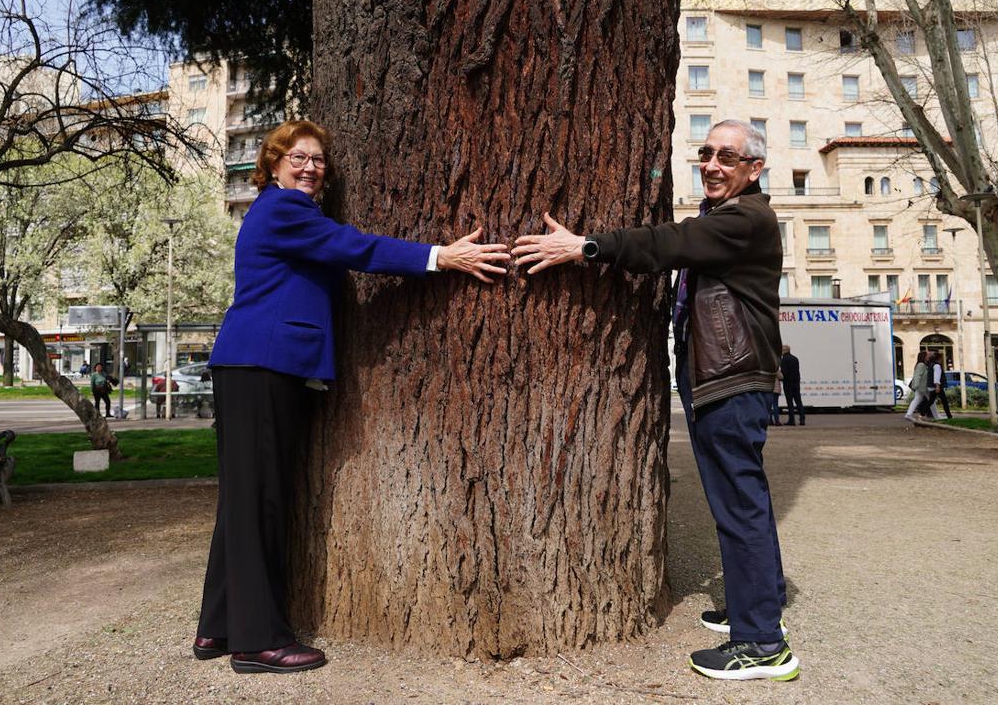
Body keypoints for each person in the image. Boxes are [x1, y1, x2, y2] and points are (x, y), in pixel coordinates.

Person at [193, 119, 510, 675]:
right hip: (261, 364)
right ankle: (257, 641)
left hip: (256, 365)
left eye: (318, 160)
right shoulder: (282, 209)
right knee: (260, 503)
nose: (311, 167)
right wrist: (441, 257)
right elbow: (354, 247)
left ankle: (218, 627)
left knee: (245, 501)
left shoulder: (284, 211)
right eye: (298, 158)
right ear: (272, 165)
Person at [512, 119, 797, 681]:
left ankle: (763, 644)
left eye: (727, 157)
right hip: (723, 377)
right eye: (706, 153)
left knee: (741, 507)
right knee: (739, 504)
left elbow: (667, 243)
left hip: (733, 381)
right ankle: (756, 612)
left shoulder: (747, 218)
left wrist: (586, 246)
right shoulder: (731, 217)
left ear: (754, 169)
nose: (712, 165)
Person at [780, 345, 806, 427]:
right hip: (796, 382)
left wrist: (781, 377)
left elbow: (785, 372)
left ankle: (792, 420)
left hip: (788, 383)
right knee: (798, 401)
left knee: (790, 402)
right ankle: (802, 419)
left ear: (784, 350)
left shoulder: (783, 360)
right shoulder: (795, 358)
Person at [905, 350, 932, 422]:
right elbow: (917, 376)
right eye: (927, 355)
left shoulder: (922, 364)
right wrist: (916, 385)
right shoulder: (921, 365)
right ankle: (937, 416)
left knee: (917, 399)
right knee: (932, 400)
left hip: (921, 387)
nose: (928, 356)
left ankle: (908, 414)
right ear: (924, 357)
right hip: (922, 387)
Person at [930, 351, 952, 420]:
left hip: (938, 386)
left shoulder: (933, 365)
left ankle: (922, 413)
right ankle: (949, 416)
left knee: (930, 401)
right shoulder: (937, 366)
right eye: (941, 358)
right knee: (944, 401)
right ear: (939, 358)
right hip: (938, 386)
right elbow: (936, 377)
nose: (942, 359)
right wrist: (937, 386)